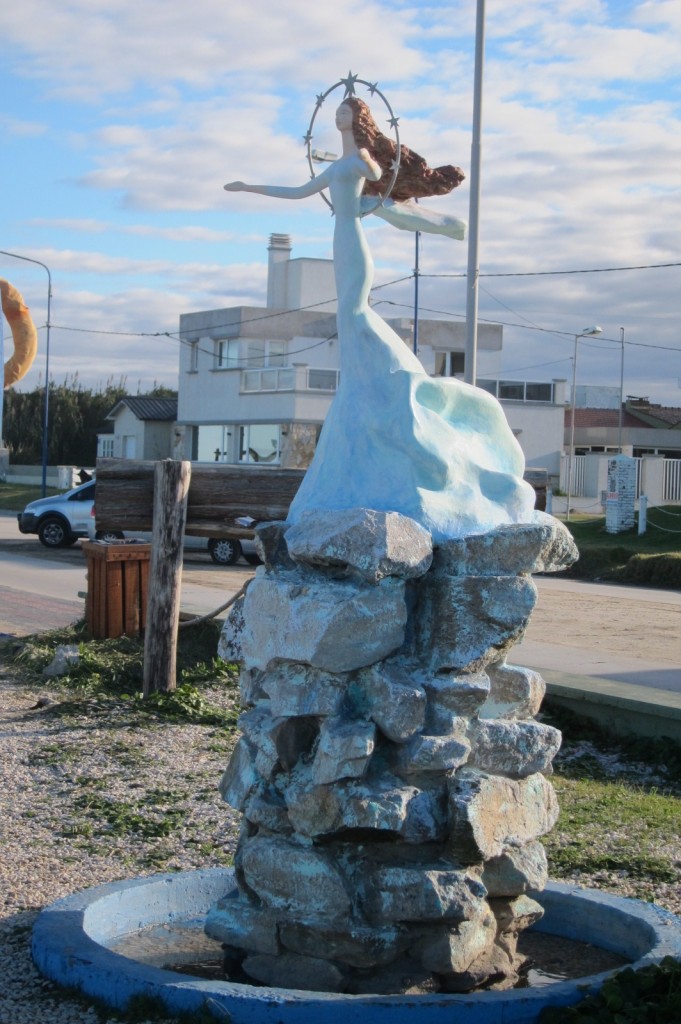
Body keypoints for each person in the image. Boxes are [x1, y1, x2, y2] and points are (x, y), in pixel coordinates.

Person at [223, 98, 536, 541]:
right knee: (349, 317)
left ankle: (388, 387)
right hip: (341, 239)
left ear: (359, 118)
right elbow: (296, 192)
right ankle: (366, 388)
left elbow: (376, 183)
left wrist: (372, 164)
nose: (338, 118)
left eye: (345, 112)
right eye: (335, 113)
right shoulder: (335, 167)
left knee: (353, 312)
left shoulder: (357, 163)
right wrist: (248, 187)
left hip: (354, 244)